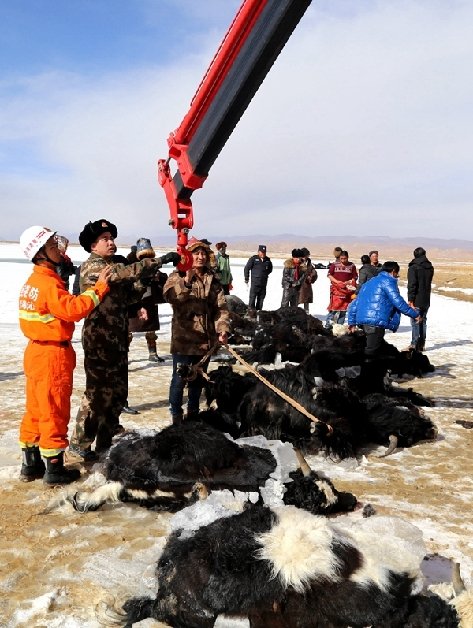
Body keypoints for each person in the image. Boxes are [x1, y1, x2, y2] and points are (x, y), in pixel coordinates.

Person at [69, 219, 180, 460]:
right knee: (97, 394)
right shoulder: (93, 267)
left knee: (117, 393)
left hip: (117, 338)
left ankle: (105, 442)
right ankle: (80, 444)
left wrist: (144, 282)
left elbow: (128, 296)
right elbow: (123, 273)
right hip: (99, 339)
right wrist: (156, 262)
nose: (111, 242)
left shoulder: (112, 267)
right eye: (105, 239)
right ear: (92, 246)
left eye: (111, 238)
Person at [18, 225, 111, 485]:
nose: (57, 249)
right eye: (51, 246)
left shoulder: (34, 282)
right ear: (40, 253)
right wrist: (99, 288)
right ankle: (55, 469)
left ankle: (31, 464)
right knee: (54, 410)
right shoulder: (48, 284)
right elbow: (73, 309)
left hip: (36, 352)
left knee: (35, 408)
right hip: (52, 355)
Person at [164, 238, 231, 424]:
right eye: (196, 253)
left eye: (203, 253)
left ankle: (193, 413)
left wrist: (222, 329)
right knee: (179, 380)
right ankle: (176, 414)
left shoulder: (213, 280)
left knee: (198, 379)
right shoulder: (177, 275)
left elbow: (221, 308)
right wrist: (186, 281)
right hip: (183, 340)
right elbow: (170, 297)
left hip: (205, 340)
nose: (200, 257)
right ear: (188, 256)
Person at [347, 261, 421, 356]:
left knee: (376, 349)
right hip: (375, 322)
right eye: (396, 274)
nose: (396, 276)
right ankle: (366, 370)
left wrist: (352, 322)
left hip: (363, 322)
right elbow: (398, 302)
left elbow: (355, 303)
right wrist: (414, 314)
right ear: (393, 271)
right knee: (371, 353)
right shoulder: (388, 282)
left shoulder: (370, 282)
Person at [128, 237, 168, 363]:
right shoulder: (131, 265)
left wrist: (158, 278)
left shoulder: (152, 264)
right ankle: (124, 354)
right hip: (134, 301)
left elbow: (162, 278)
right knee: (128, 331)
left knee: (151, 330)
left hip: (149, 299)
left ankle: (152, 353)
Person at [407, 247, 434, 351]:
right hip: (426, 299)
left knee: (415, 321)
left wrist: (410, 300)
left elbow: (412, 285)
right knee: (423, 321)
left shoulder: (414, 267)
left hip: (417, 299)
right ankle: (421, 344)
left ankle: (414, 344)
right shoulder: (430, 267)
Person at [325, 250, 358, 327]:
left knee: (343, 311)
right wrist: (338, 282)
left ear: (348, 257)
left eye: (345, 258)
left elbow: (355, 276)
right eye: (341, 258)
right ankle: (328, 326)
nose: (343, 260)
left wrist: (349, 282)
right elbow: (329, 275)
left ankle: (339, 327)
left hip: (347, 290)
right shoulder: (334, 265)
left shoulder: (352, 266)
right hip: (336, 290)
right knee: (333, 309)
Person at [244, 244, 273, 312]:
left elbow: (270, 269)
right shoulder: (253, 259)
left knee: (261, 300)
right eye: (262, 252)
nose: (263, 254)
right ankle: (251, 314)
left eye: (264, 252)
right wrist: (246, 278)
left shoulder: (267, 260)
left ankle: (258, 315)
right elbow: (247, 268)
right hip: (255, 283)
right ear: (258, 252)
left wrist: (264, 275)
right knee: (252, 300)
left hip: (263, 284)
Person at [298, 247, 318, 314]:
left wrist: (312, 275)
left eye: (306, 256)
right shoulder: (297, 263)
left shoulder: (309, 264)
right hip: (299, 286)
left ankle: (306, 315)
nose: (305, 258)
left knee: (306, 302)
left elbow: (313, 272)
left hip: (307, 286)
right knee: (296, 301)